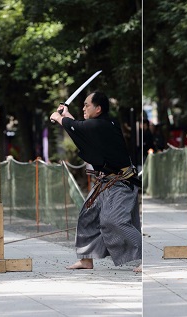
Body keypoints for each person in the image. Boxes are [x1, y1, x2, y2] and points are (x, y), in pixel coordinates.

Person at [50, 91, 142, 272]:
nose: (83, 108)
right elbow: (80, 128)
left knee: (113, 220)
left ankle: (143, 257)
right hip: (105, 182)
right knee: (87, 216)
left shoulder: (103, 125)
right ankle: (86, 259)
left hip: (121, 183)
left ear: (98, 109)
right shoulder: (99, 125)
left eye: (87, 105)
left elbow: (79, 127)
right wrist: (66, 115)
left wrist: (58, 117)